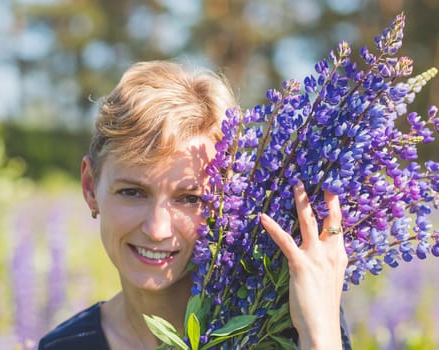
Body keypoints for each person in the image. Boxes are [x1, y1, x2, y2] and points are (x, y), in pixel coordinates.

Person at [37, 61, 351, 349]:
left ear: (229, 200)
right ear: (90, 187)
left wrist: (320, 334)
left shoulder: (288, 325)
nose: (157, 229)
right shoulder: (65, 345)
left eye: (190, 198)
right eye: (132, 192)